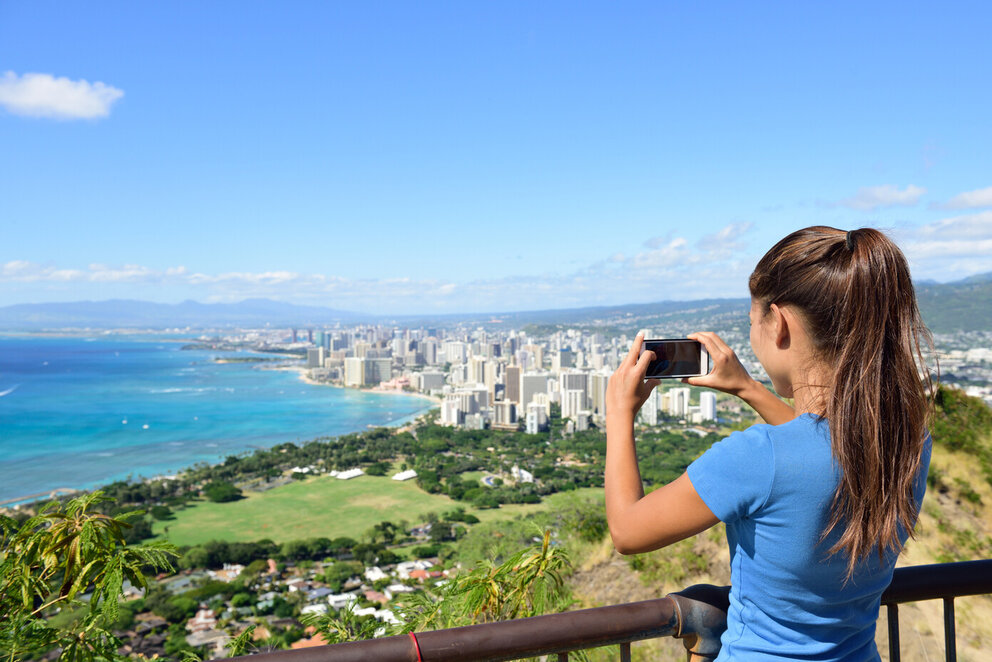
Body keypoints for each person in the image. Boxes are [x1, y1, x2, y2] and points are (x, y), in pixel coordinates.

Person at [605, 226, 933, 661]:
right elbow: (821, 450)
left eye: (754, 320)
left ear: (779, 324)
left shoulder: (757, 457)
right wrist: (748, 389)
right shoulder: (906, 442)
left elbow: (627, 531)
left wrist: (618, 414)